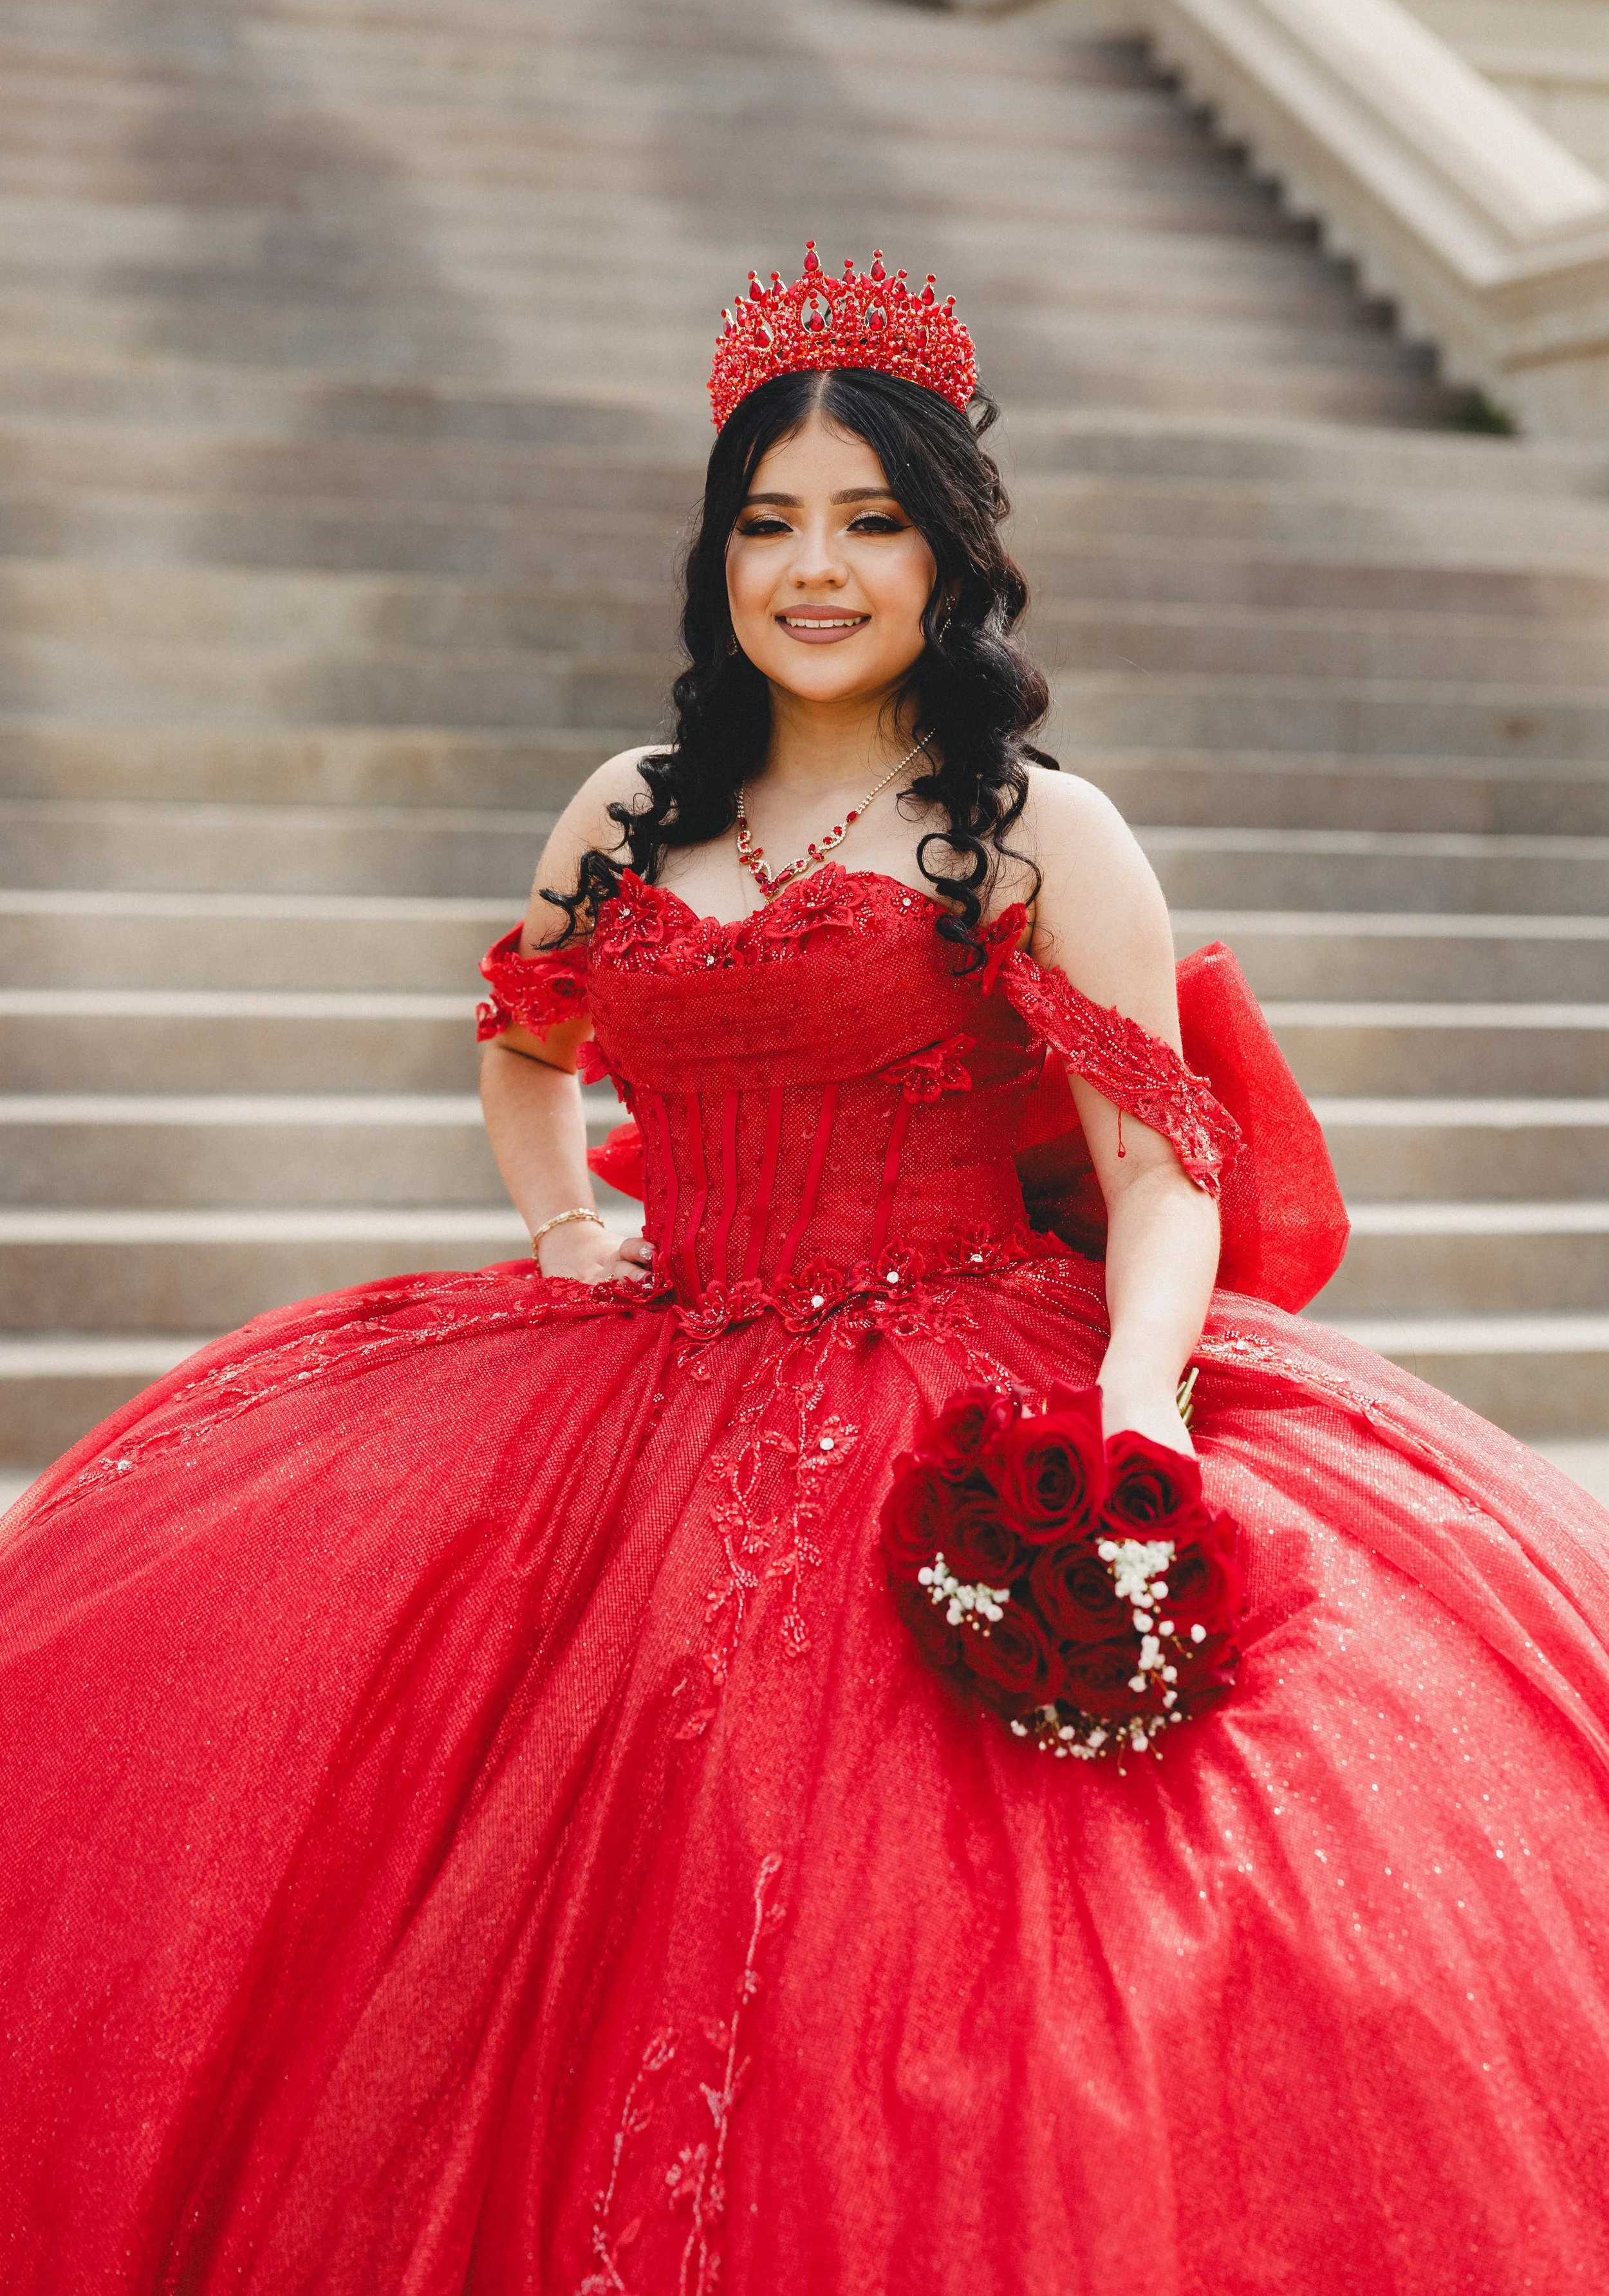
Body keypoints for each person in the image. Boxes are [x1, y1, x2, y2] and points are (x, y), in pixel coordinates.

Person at [2, 246, 1608, 2296]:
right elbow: (524, 1050)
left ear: (949, 555)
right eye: (768, 524)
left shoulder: (1038, 829)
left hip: (956, 1378)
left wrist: (1134, 1401)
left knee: (932, 1957)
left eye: (868, 522)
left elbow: (1163, 1169)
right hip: (651, 1369)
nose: (815, 567)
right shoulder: (625, 811)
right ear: (717, 558)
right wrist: (574, 1226)